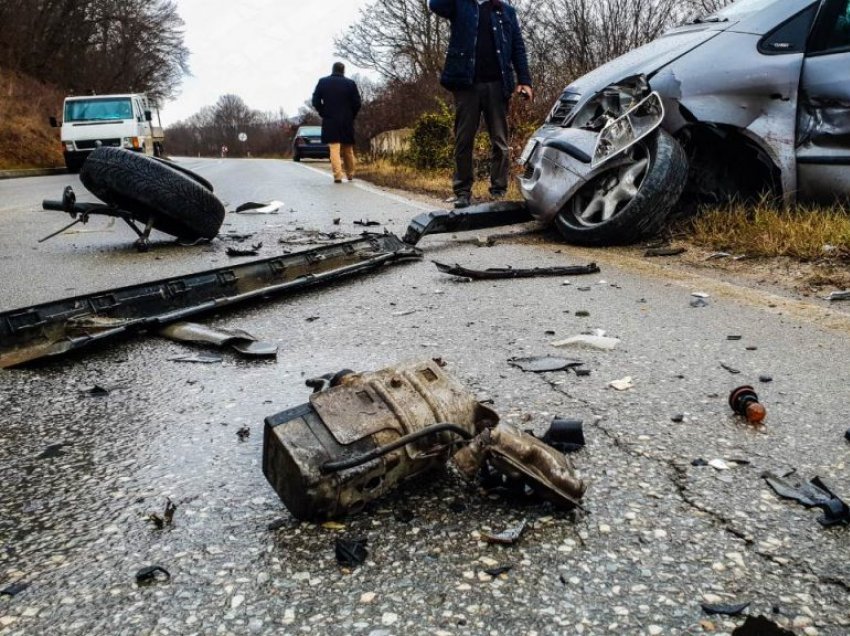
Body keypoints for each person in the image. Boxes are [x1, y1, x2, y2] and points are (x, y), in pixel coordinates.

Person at [429, 0, 533, 208]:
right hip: (467, 85)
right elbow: (436, 5)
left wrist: (524, 81)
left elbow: (517, 47)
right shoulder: (461, 5)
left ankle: (498, 190)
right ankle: (462, 191)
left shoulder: (505, 11)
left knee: (500, 142)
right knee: (464, 140)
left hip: (497, 85)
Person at [312, 62, 362, 183]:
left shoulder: (323, 82)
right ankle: (350, 174)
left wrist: (323, 112)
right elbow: (357, 103)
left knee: (334, 148)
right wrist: (351, 115)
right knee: (348, 149)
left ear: (332, 69)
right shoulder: (350, 83)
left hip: (330, 119)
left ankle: (338, 176)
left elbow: (315, 101)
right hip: (346, 120)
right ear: (343, 70)